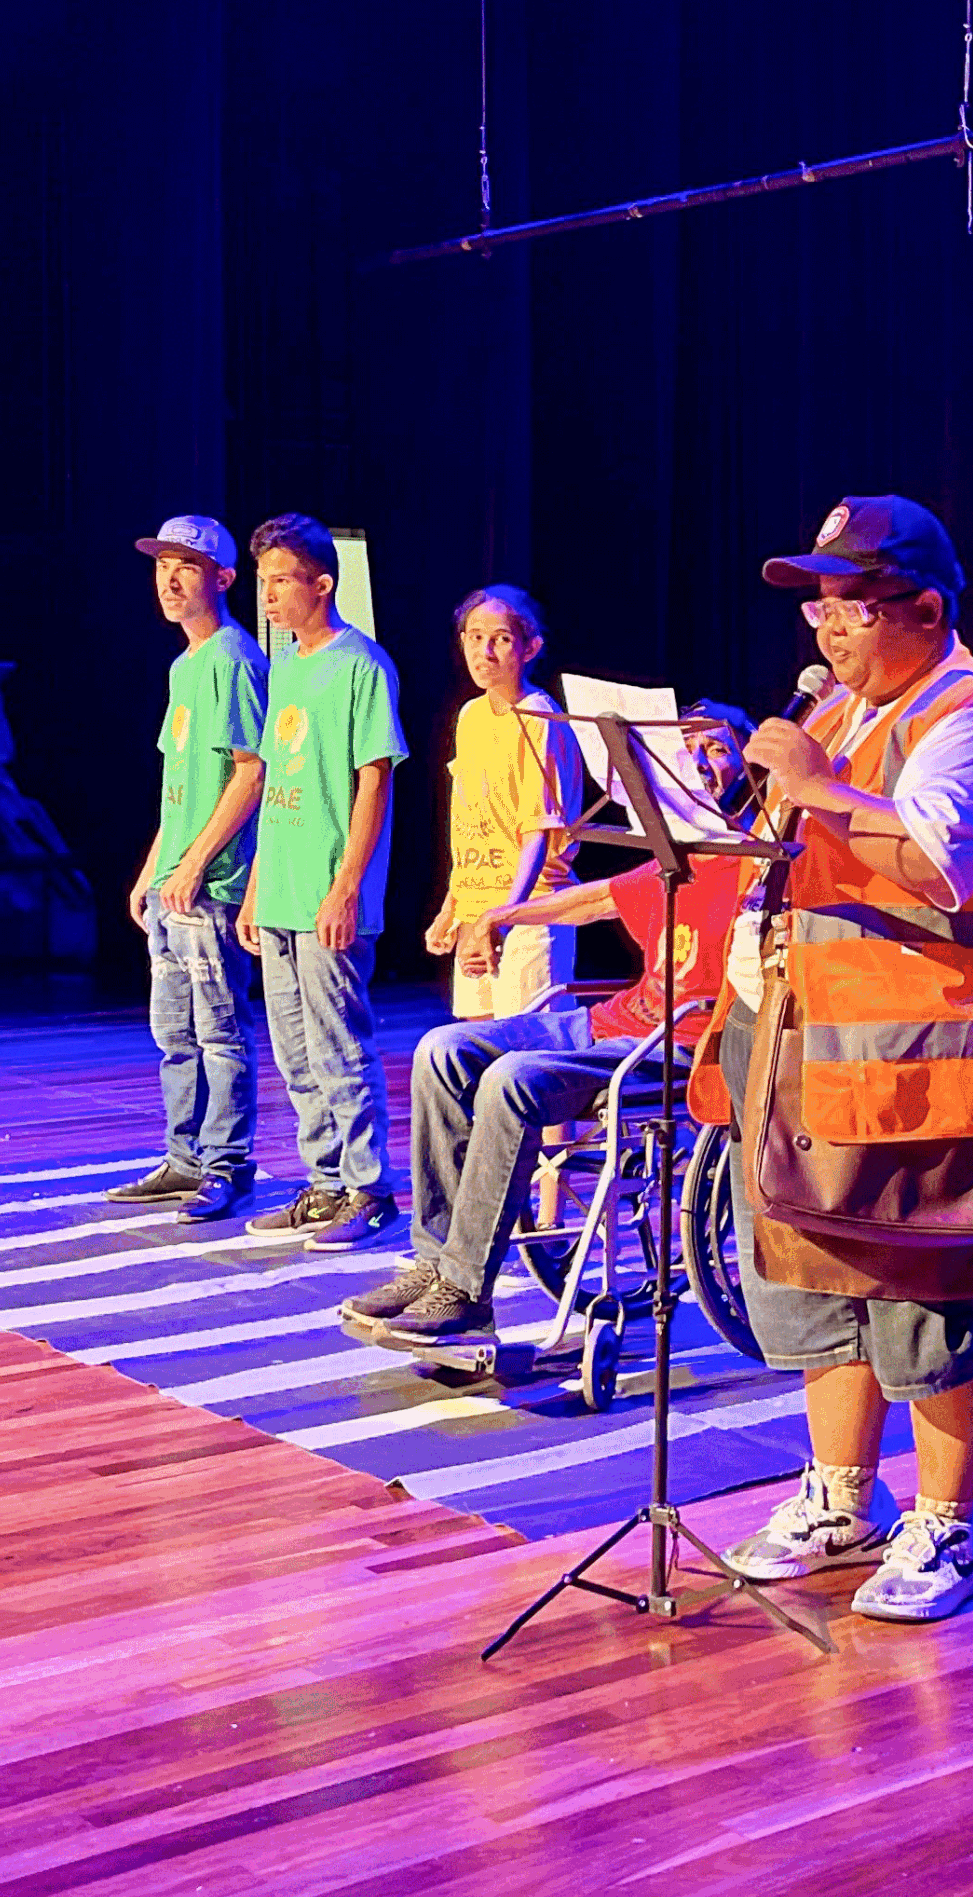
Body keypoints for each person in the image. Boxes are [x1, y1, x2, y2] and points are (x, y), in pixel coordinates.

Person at [695, 496, 973, 1625]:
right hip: (814, 1052)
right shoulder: (848, 714)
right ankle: (840, 1495)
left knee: (929, 1290)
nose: (823, 628)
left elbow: (947, 860)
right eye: (818, 602)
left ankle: (953, 1524)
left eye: (848, 604)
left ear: (926, 607)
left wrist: (812, 785)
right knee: (818, 1281)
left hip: (928, 1067)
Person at [345, 704, 754, 1342]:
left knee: (510, 1081)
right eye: (690, 748)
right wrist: (498, 918)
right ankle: (433, 1259)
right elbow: (591, 898)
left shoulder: (760, 863)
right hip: (613, 1023)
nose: (702, 761)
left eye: (719, 749)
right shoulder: (684, 856)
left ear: (749, 765)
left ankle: (465, 1289)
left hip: (679, 1045)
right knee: (442, 1050)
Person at [235, 514, 410, 1249]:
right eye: (263, 582)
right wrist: (253, 886)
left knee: (339, 1045)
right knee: (294, 1052)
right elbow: (275, 780)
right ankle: (325, 1181)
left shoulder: (361, 665)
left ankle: (369, 1189)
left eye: (282, 581)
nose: (269, 595)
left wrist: (345, 886)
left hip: (326, 894)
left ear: (322, 583)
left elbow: (374, 784)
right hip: (278, 889)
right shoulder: (286, 667)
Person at [108, 514, 268, 1223]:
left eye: (186, 566)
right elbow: (180, 786)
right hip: (176, 885)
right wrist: (153, 869)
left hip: (213, 887)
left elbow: (251, 771)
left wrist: (197, 864)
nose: (169, 579)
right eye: (160, 565)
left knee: (220, 1032)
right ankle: (184, 1157)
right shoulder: (185, 666)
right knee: (175, 1035)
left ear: (223, 579)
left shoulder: (233, 658)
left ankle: (226, 1164)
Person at [424, 585, 585, 1019]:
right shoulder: (470, 716)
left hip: (529, 910)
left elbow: (537, 829)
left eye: (501, 639)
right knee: (474, 1040)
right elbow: (470, 817)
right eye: (474, 637)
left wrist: (507, 915)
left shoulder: (539, 718)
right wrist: (452, 907)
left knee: (520, 1052)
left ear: (530, 647)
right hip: (477, 906)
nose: (485, 651)